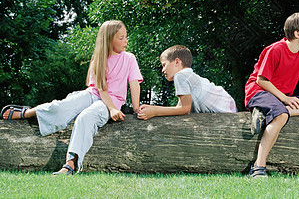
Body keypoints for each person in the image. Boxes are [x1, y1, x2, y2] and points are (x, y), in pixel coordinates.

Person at [1, 20, 143, 175]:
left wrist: (135, 108)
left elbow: (134, 84)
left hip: (110, 102)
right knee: (62, 106)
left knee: (86, 117)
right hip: (93, 94)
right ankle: (28, 113)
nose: (126, 41)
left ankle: (71, 163)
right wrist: (112, 109)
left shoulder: (129, 58)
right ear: (109, 39)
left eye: (126, 37)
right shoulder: (99, 59)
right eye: (121, 38)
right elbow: (100, 89)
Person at [244, 12, 299, 178]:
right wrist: (285, 99)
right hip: (260, 92)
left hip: (279, 98)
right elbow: (261, 81)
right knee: (280, 115)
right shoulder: (276, 50)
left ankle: (267, 113)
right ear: (297, 33)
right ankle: (258, 167)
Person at [137, 45, 237, 120]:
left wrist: (154, 111)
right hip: (228, 108)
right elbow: (178, 108)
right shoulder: (189, 76)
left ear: (177, 62)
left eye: (164, 65)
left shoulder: (181, 76)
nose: (163, 70)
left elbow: (184, 109)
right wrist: (151, 108)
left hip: (226, 114)